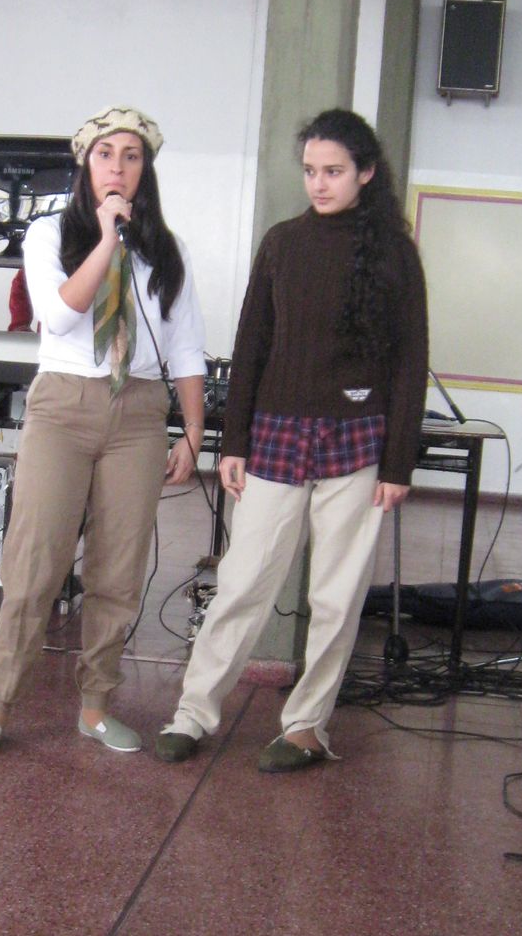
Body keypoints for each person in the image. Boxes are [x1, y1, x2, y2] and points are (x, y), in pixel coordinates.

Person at [155, 108, 429, 772]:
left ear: (366, 173)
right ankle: (193, 713)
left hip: (358, 443)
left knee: (335, 595)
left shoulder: (395, 253)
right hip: (277, 436)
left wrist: (398, 463)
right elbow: (251, 346)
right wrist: (233, 442)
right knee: (242, 581)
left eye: (333, 171)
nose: (319, 183)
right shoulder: (282, 243)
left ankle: (307, 726)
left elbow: (409, 360)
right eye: (310, 171)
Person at [0, 105, 206, 756]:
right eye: (105, 154)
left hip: (139, 411)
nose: (117, 167)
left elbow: (186, 348)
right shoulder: (49, 234)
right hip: (64, 405)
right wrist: (105, 240)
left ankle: (96, 707)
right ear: (85, 164)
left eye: (131, 156)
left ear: (146, 168)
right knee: (35, 561)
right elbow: (60, 314)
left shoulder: (168, 250)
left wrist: (192, 431)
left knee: (117, 570)